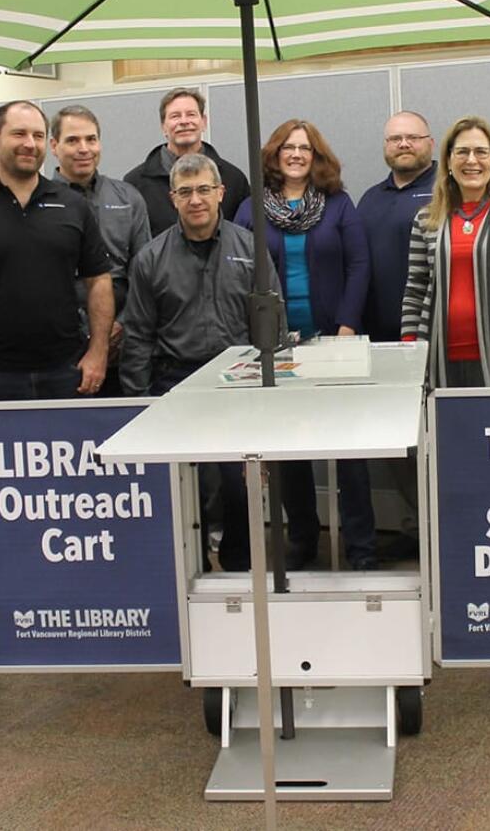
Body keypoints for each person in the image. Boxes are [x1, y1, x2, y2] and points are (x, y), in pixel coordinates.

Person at [0, 100, 113, 644]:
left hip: (65, 372)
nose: (29, 142)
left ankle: (74, 591)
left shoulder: (69, 203)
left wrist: (97, 354)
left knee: (72, 493)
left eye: (38, 134)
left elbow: (97, 280)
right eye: (18, 133)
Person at [121, 153, 284, 571]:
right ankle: (185, 568)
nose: (196, 200)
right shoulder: (151, 259)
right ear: (173, 198)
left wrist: (272, 395)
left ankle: (238, 564)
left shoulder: (250, 249)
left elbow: (273, 327)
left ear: (220, 194)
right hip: (175, 385)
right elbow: (138, 335)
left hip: (237, 385)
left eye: (204, 190)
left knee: (238, 484)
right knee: (179, 486)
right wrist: (139, 405)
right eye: (186, 192)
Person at [234, 119, 375, 570]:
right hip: (274, 348)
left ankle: (361, 548)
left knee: (349, 451)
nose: (296, 155)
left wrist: (348, 326)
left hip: (333, 340)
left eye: (305, 149)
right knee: (288, 450)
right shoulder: (250, 208)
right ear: (273, 155)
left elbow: (360, 265)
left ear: (317, 157)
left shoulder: (338, 204)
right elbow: (238, 271)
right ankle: (302, 540)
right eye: (287, 148)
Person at [400, 115, 490, 388]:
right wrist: (411, 357)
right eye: (462, 152)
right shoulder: (427, 219)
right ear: (448, 160)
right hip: (436, 361)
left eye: (481, 152)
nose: (471, 160)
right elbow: (414, 291)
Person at [357, 111, 437, 559]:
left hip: (431, 344)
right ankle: (417, 526)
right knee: (398, 445)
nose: (403, 144)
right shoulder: (370, 199)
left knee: (436, 440)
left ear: (430, 142)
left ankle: (443, 525)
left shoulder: (445, 193)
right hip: (381, 348)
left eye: (412, 137)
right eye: (394, 139)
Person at [51, 104, 151, 396]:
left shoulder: (128, 198)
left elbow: (144, 276)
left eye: (91, 139)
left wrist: (120, 326)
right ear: (54, 146)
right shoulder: (40, 200)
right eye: (72, 140)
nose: (84, 148)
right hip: (62, 344)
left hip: (123, 342)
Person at [124, 87, 250, 235]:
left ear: (203, 122)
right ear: (163, 126)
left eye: (191, 114)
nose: (184, 121)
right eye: (175, 116)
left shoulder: (233, 179)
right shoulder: (134, 184)